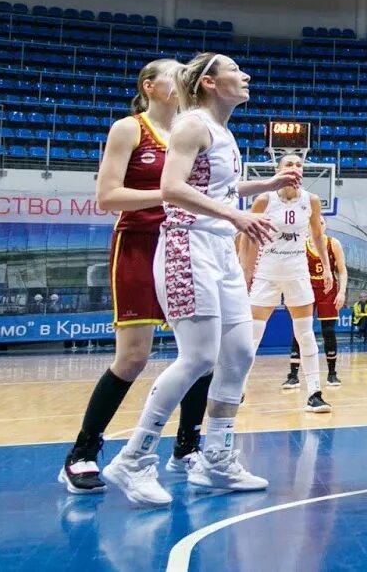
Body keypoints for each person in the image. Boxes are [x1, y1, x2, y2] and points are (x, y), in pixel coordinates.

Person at [102, 53, 295, 507]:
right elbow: (172, 188)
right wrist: (234, 214)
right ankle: (134, 458)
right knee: (198, 357)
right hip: (185, 245)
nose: (245, 75)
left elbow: (220, 191)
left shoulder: (224, 132)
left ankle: (216, 459)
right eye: (234, 70)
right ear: (209, 82)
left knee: (240, 351)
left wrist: (265, 186)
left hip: (219, 247)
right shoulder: (191, 125)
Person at [60, 60, 215, 494]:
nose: (183, 78)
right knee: (133, 357)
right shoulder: (130, 129)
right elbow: (108, 197)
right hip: (139, 244)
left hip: (185, 244)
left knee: (202, 354)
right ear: (149, 85)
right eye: (174, 72)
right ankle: (82, 453)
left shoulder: (193, 129)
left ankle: (187, 448)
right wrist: (169, 193)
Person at [238, 154, 334, 414]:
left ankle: (314, 393)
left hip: (297, 272)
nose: (295, 168)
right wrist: (245, 273)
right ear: (278, 170)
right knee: (252, 336)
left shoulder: (310, 201)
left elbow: (317, 235)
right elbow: (246, 238)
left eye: (299, 164)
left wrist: (326, 267)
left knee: (305, 334)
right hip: (266, 272)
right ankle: (238, 390)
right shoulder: (264, 200)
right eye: (289, 164)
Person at [286, 233, 348, 389]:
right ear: (309, 226)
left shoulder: (333, 243)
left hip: (328, 291)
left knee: (328, 331)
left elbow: (342, 270)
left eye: (322, 222)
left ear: (325, 225)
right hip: (307, 288)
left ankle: (332, 374)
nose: (319, 224)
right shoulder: (301, 244)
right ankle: (293, 376)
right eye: (315, 222)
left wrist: (341, 292)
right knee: (299, 330)